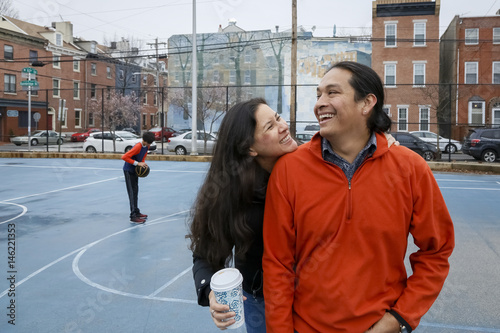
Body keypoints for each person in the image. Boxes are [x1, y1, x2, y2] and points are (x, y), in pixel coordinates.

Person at [262, 61, 455, 333]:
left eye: (332, 93)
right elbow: (278, 265)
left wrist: (398, 319)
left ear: (367, 103)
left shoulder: (411, 168)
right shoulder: (288, 170)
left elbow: (437, 251)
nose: (319, 103)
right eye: (318, 94)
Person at [188, 97, 399, 332]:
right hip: (262, 300)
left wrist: (376, 144)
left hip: (316, 296)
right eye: (270, 126)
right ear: (250, 148)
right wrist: (210, 293)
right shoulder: (231, 194)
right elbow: (205, 254)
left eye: (277, 117)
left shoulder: (316, 164)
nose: (283, 126)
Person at [121, 131, 155, 224]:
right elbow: (124, 157)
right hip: (128, 170)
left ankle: (136, 211)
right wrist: (137, 163)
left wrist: (142, 163)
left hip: (135, 170)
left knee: (136, 191)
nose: (149, 145)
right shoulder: (138, 146)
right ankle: (133, 216)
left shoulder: (146, 146)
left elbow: (143, 157)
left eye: (150, 143)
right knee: (131, 193)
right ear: (144, 140)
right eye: (148, 142)